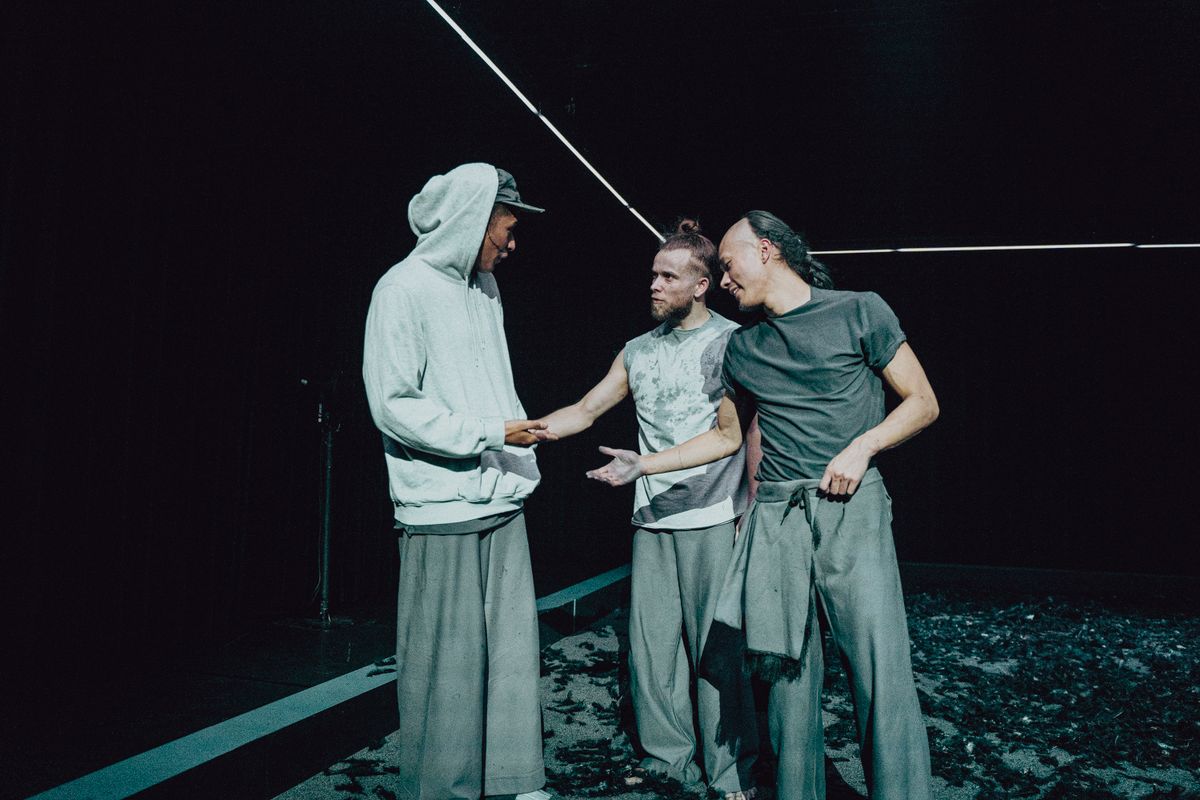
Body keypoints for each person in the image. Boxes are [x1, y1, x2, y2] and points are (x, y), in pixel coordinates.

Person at [587, 211, 939, 799]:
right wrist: (643, 465)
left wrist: (863, 447)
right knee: (785, 677)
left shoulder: (859, 311)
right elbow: (726, 437)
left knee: (878, 667)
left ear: (767, 251)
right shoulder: (744, 347)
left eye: (729, 265)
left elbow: (922, 402)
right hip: (776, 516)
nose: (724, 280)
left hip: (850, 508)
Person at [535, 221, 758, 800]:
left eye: (668, 277)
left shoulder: (732, 343)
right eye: (653, 275)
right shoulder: (637, 350)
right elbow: (586, 409)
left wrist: (749, 505)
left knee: (717, 651)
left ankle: (730, 770)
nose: (655, 285)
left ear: (702, 284)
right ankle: (669, 759)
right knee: (653, 651)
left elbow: (735, 435)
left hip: (712, 515)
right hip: (653, 519)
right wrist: (524, 430)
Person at [362, 162, 555, 800]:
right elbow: (394, 405)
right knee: (446, 666)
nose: (513, 242)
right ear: (472, 219)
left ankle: (511, 779)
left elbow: (492, 381)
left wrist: (513, 447)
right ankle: (444, 789)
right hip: (440, 506)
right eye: (507, 227)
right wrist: (492, 432)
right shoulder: (402, 289)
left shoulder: (484, 289)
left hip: (501, 496)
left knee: (509, 656)